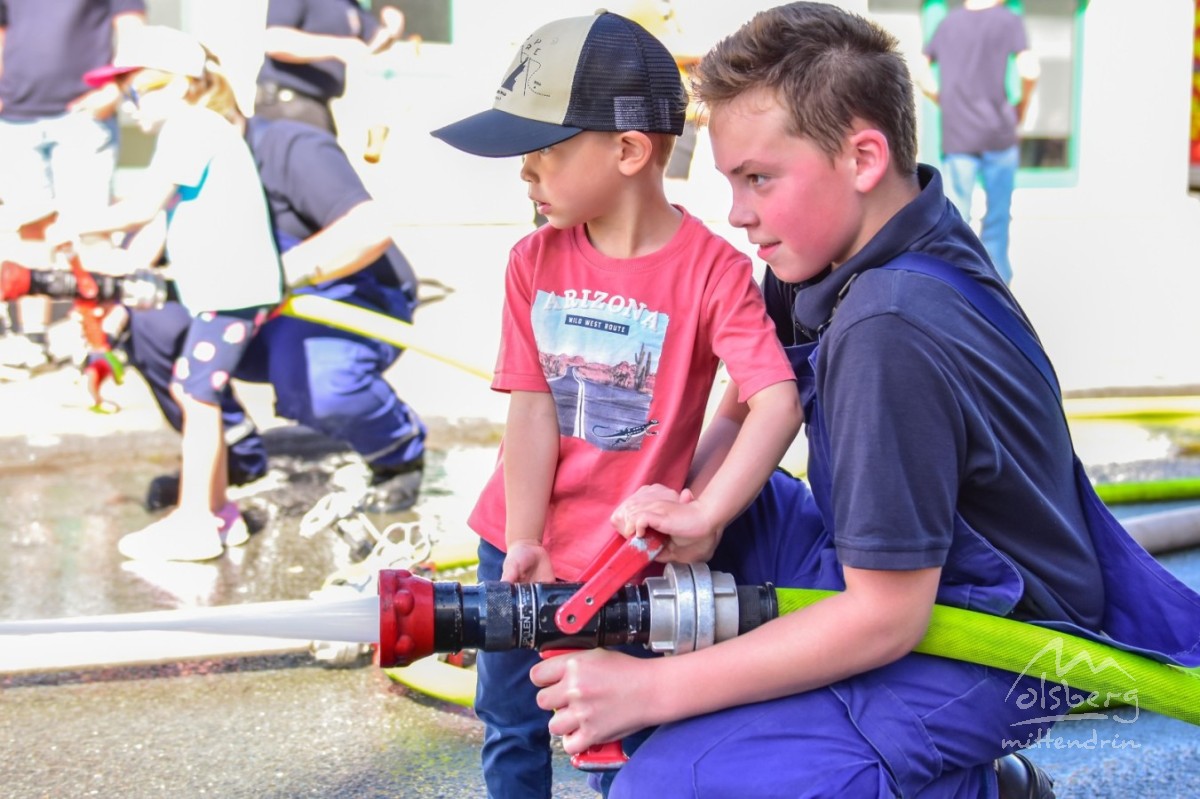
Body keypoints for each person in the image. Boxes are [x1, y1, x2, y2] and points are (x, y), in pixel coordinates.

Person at [529, 4, 1200, 797]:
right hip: (891, 562)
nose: (738, 212)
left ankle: (968, 784)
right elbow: (750, 400)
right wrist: (687, 509)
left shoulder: (891, 327)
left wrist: (651, 691)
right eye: (730, 182)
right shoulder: (847, 244)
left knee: (667, 786)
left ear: (864, 157)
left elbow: (888, 617)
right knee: (673, 563)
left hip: (992, 639)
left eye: (758, 179)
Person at [430, 11, 801, 798]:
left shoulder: (712, 273)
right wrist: (525, 539)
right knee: (511, 722)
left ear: (630, 150)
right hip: (516, 545)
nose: (526, 174)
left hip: (628, 564)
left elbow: (774, 398)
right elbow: (531, 409)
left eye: (546, 153)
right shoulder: (532, 259)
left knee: (622, 736)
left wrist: (707, 512)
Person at [48, 25, 283, 562]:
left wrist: (73, 226)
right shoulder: (205, 128)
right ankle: (220, 513)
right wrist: (123, 261)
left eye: (139, 90)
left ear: (179, 85)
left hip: (231, 289)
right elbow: (163, 220)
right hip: (227, 288)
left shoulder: (190, 128)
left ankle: (194, 519)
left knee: (197, 396)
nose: (131, 104)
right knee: (196, 391)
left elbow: (143, 207)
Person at [125, 109, 427, 517]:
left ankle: (396, 452)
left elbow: (368, 230)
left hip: (341, 299)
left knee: (315, 380)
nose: (138, 105)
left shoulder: (292, 148)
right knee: (151, 326)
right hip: (246, 311)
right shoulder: (189, 161)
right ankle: (233, 460)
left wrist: (266, 278)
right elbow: (145, 240)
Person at [0, 0, 145, 371]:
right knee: (29, 228)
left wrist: (116, 91)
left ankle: (94, 338)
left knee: (88, 228)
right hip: (17, 117)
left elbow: (132, 30)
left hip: (83, 115)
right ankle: (32, 337)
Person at [921, 0, 1039, 285]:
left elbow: (922, 73)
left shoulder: (948, 23)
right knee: (997, 222)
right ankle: (998, 293)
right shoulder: (1007, 20)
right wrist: (1022, 105)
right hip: (998, 133)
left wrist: (943, 101)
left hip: (958, 134)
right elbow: (1030, 71)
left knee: (956, 220)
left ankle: (961, 286)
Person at [254, 0, 404, 135]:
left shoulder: (349, 5)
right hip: (286, 107)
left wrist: (391, 31)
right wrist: (338, 47)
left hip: (317, 109)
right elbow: (274, 40)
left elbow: (368, 46)